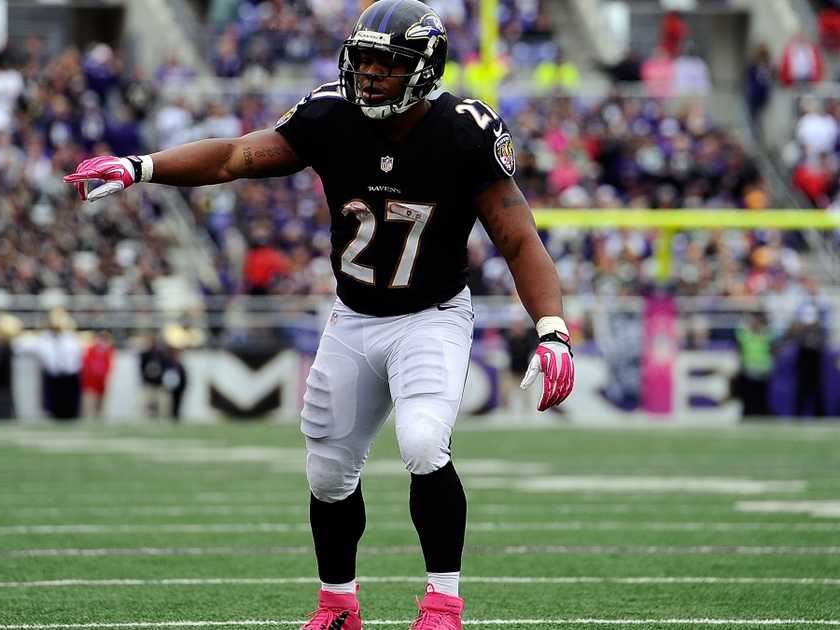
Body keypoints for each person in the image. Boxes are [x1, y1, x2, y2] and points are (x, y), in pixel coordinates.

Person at [63, 2, 574, 627]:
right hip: (354, 315)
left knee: (420, 442)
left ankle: (443, 603)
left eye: (388, 63)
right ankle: (338, 605)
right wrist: (140, 166)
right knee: (329, 473)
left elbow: (518, 238)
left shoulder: (464, 131)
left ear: (426, 68)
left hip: (430, 315)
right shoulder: (331, 114)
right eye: (363, 58)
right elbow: (234, 157)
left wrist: (552, 331)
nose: (369, 73)